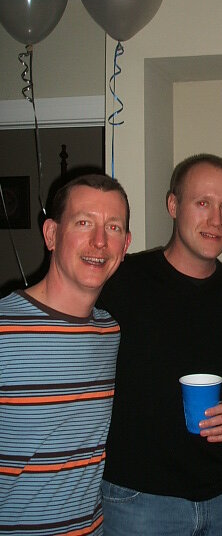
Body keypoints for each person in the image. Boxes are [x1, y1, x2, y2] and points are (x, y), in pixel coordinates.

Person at [98, 153, 222, 536]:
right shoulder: (121, 282)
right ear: (173, 205)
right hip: (138, 503)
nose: (216, 220)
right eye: (203, 202)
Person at [0, 174, 132, 536]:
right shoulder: (4, 330)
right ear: (51, 235)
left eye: (114, 227)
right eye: (84, 222)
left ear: (125, 245)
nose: (100, 241)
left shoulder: (110, 332)